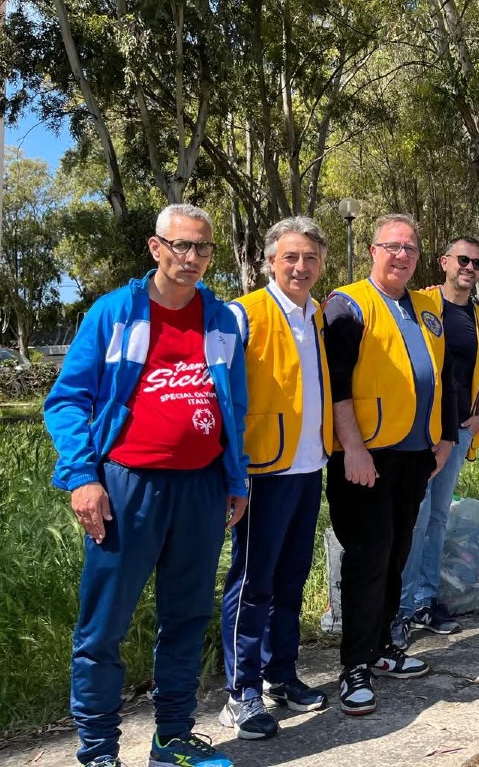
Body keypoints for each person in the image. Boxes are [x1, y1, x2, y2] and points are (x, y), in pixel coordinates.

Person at [44, 204, 249, 767]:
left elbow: (235, 404)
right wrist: (84, 477)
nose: (191, 258)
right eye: (179, 246)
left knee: (186, 616)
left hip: (202, 489)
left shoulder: (223, 319)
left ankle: (172, 737)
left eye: (202, 248)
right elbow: (67, 401)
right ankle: (98, 750)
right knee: (104, 622)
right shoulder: (115, 312)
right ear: (155, 248)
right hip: (126, 485)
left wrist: (235, 478)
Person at [322, 213, 457, 716]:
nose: (401, 256)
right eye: (392, 247)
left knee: (397, 552)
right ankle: (353, 666)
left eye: (410, 249)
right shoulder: (347, 303)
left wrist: (443, 438)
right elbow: (334, 384)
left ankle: (381, 649)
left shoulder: (425, 307)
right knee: (367, 557)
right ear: (373, 251)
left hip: (414, 454)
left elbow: (443, 374)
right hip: (366, 456)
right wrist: (351, 447)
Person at [218, 217, 331, 740]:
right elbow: (217, 395)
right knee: (252, 582)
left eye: (310, 258)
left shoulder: (318, 316)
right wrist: (229, 472)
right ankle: (241, 691)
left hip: (309, 466)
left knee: (291, 578)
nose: (300, 267)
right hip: (263, 470)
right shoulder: (244, 315)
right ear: (270, 261)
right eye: (291, 257)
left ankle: (281, 674)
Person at [390, 236, 479, 648]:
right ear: (445, 262)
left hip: (456, 432)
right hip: (418, 431)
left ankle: (424, 600)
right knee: (412, 520)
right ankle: (398, 607)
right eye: (464, 260)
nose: (470, 268)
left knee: (437, 518)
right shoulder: (417, 305)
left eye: (478, 263)